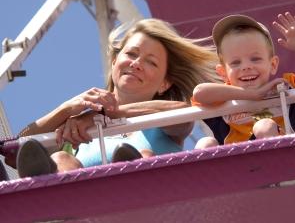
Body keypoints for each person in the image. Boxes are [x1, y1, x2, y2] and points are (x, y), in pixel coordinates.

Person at [12, 18, 220, 178]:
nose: (136, 63)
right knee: (60, 158)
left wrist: (113, 114)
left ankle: (128, 180)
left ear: (165, 83)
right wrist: (65, 110)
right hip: (88, 211)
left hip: (151, 208)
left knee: (145, 156)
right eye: (131, 54)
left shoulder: (166, 121)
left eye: (151, 62)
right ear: (114, 62)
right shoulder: (78, 127)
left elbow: (182, 114)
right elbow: (15, 152)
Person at [192, 12, 295, 147]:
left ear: (273, 64)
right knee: (205, 143)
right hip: (236, 168)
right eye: (236, 63)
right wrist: (254, 95)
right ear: (223, 72)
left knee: (264, 126)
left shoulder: (286, 88)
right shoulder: (222, 97)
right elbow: (199, 92)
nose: (246, 67)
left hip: (288, 164)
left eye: (255, 59)